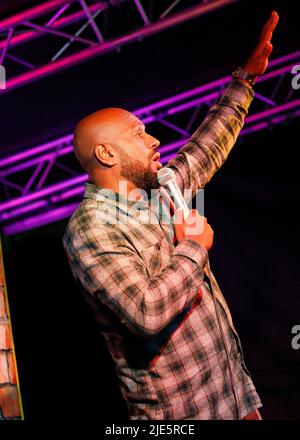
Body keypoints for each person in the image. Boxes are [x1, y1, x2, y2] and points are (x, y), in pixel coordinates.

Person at [63, 11, 279, 420]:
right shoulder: (90, 228)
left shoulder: (159, 189)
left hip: (231, 391)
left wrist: (245, 80)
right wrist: (194, 247)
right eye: (138, 132)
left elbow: (205, 147)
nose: (154, 139)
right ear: (106, 154)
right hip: (182, 412)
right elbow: (146, 313)